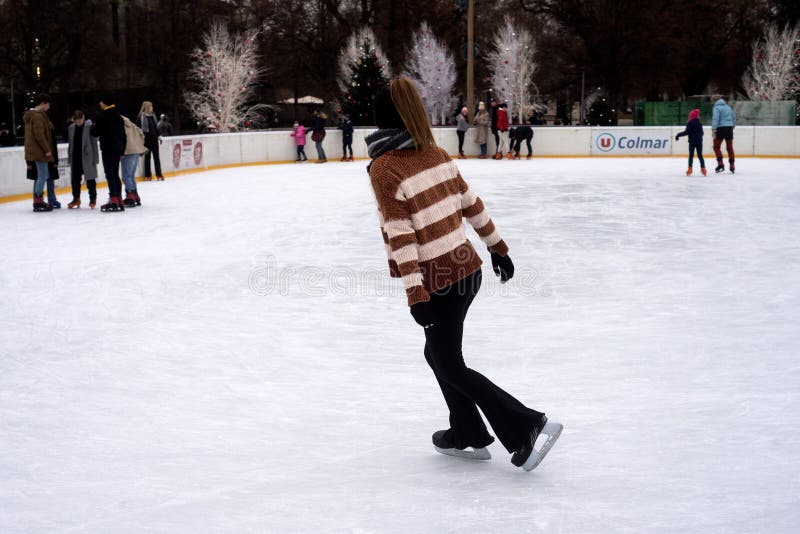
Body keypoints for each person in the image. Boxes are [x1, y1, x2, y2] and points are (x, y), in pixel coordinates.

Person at [365, 77, 563, 472]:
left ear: (383, 117)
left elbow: (402, 238)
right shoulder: (435, 153)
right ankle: (467, 432)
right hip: (466, 272)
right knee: (437, 354)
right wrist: (497, 248)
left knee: (448, 361)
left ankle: (526, 426)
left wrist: (416, 295)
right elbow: (472, 205)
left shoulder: (385, 168)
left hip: (438, 282)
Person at [90, 95, 127, 212]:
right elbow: (123, 135)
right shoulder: (119, 116)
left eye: (101, 102)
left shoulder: (102, 116)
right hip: (118, 149)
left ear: (104, 103)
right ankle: (119, 198)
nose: (100, 104)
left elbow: (95, 133)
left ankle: (113, 199)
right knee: (115, 174)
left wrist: (92, 126)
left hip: (108, 149)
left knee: (110, 174)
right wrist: (122, 150)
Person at [23, 93, 55, 212]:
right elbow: (39, 135)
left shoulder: (33, 115)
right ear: (43, 104)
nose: (49, 107)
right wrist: (47, 150)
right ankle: (38, 200)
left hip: (35, 150)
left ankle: (38, 199)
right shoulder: (37, 116)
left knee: (41, 175)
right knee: (42, 176)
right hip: (39, 151)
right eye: (48, 104)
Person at [66, 111, 100, 208]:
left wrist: (95, 158)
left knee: (90, 180)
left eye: (80, 120)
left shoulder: (89, 127)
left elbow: (94, 144)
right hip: (75, 158)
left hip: (87, 157)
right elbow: (70, 144)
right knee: (75, 180)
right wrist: (69, 157)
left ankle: (93, 199)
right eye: (76, 120)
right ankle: (76, 198)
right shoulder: (71, 128)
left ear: (83, 117)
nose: (78, 122)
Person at [121, 115, 146, 207]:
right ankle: (135, 195)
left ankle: (130, 196)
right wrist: (139, 145)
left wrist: (121, 150)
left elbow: (122, 138)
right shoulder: (131, 124)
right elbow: (141, 133)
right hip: (135, 151)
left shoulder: (122, 125)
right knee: (130, 175)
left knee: (126, 176)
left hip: (128, 151)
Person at [675, 108, 706, 176]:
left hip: (692, 141)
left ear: (691, 116)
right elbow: (702, 133)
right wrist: (699, 137)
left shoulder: (690, 122)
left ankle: (690, 169)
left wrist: (678, 135)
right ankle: (703, 169)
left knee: (691, 155)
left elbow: (686, 132)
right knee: (700, 155)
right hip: (699, 141)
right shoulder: (699, 122)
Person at [139, 101, 164, 181]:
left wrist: (159, 135)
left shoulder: (153, 116)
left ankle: (159, 174)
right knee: (147, 158)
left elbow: (156, 127)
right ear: (147, 107)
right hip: (146, 140)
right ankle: (148, 175)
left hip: (154, 139)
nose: (152, 108)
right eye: (151, 106)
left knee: (156, 157)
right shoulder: (141, 117)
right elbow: (139, 129)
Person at [712, 98, 736, 173]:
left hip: (720, 129)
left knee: (716, 146)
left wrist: (713, 129)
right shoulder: (728, 107)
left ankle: (720, 164)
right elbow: (734, 117)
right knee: (730, 147)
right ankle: (732, 165)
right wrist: (732, 126)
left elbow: (715, 119)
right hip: (729, 128)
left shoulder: (716, 108)